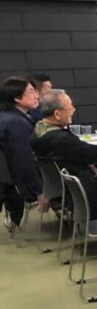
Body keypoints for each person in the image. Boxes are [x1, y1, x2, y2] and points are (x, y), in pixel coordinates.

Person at [31, 90, 97, 219]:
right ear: (57, 114)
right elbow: (95, 154)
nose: (73, 110)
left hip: (65, 190)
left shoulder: (38, 131)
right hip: (84, 192)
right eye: (70, 107)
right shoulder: (62, 139)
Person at [0, 77, 48, 227]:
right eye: (31, 91)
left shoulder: (7, 116)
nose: (37, 95)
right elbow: (23, 160)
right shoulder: (16, 123)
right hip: (18, 183)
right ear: (17, 98)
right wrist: (39, 191)